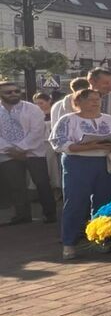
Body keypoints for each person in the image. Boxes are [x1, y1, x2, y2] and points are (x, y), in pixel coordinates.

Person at [51, 89, 111, 258]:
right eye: (90, 100)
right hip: (78, 163)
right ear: (78, 102)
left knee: (105, 201)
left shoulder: (108, 119)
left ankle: (102, 239)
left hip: (105, 162)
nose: (95, 102)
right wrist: (91, 146)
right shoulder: (68, 119)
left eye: (97, 99)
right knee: (75, 202)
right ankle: (69, 243)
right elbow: (59, 143)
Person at [0, 81, 54, 225]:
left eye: (16, 91)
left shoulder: (32, 109)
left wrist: (21, 148)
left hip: (33, 152)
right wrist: (10, 150)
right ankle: (22, 216)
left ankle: (50, 214)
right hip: (7, 153)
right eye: (8, 92)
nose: (14, 94)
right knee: (16, 185)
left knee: (41, 183)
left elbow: (37, 131)